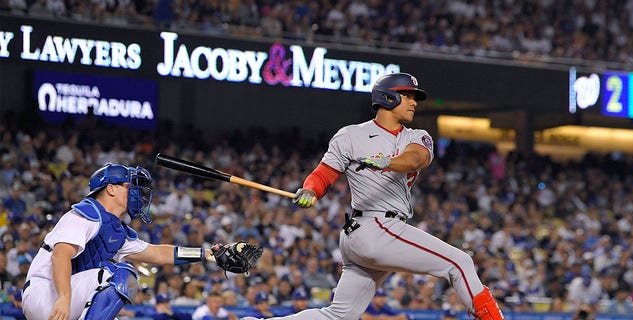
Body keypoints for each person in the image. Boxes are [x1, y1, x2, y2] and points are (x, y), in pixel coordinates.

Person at [241, 72, 503, 320]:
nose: (414, 102)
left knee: (340, 315)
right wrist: (310, 190)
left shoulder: (417, 136)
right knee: (459, 263)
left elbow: (415, 159)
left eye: (414, 97)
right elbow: (322, 175)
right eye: (408, 95)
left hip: (371, 232)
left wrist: (386, 162)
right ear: (388, 97)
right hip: (375, 228)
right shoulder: (351, 135)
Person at [21, 163, 261, 320]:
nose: (138, 193)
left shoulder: (117, 230)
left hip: (68, 295)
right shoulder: (85, 212)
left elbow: (157, 254)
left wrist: (207, 253)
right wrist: (64, 298)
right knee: (121, 274)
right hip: (47, 293)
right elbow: (61, 254)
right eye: (130, 187)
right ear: (111, 189)